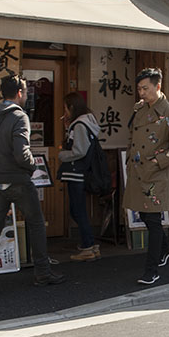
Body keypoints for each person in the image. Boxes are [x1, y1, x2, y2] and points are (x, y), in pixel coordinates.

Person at [0, 75, 63, 291]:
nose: (26, 96)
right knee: (35, 222)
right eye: (26, 93)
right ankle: (43, 272)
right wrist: (30, 167)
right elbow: (21, 152)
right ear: (20, 93)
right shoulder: (19, 116)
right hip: (17, 179)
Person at [126, 67, 169, 285]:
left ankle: (151, 270)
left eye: (145, 88)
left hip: (156, 174)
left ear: (158, 86)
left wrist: (157, 162)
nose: (141, 92)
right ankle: (165, 248)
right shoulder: (141, 109)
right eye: (139, 89)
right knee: (143, 215)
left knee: (152, 220)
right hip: (137, 170)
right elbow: (132, 135)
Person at [58, 92, 101, 262]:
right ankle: (90, 244)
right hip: (79, 173)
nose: (65, 111)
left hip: (76, 172)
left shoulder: (80, 125)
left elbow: (80, 151)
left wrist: (62, 155)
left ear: (72, 107)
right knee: (77, 210)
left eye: (66, 108)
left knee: (78, 210)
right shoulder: (83, 123)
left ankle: (88, 246)